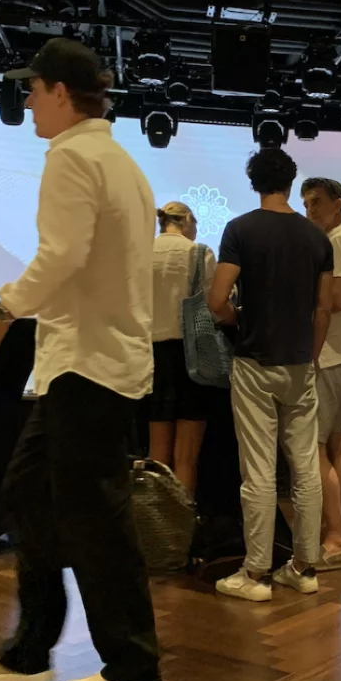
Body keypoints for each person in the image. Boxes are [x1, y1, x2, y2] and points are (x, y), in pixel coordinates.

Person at [0, 38, 163, 681]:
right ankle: (29, 650)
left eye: (34, 88)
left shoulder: (73, 156)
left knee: (94, 517)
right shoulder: (118, 160)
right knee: (28, 495)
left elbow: (62, 253)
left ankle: (133, 670)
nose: (28, 100)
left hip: (88, 365)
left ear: (61, 93)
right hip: (90, 362)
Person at [207, 148, 333, 602]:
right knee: (305, 467)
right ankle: (304, 567)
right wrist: (311, 354)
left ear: (254, 182)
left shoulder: (240, 229)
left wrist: (239, 320)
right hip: (300, 363)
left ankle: (256, 573)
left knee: (258, 470)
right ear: (290, 182)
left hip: (254, 362)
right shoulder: (317, 238)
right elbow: (324, 308)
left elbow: (216, 300)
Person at [301, 177, 341, 571]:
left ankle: (336, 537)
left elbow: (338, 299)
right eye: (306, 203)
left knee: (315, 447)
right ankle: (332, 529)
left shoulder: (338, 241)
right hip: (340, 355)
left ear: (337, 203)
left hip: (326, 356)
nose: (310, 210)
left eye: (316, 202)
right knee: (337, 444)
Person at [146, 201, 214, 497]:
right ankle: (183, 521)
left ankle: (156, 520)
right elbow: (213, 303)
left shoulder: (141, 253)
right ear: (187, 221)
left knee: (157, 454)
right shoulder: (199, 253)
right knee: (186, 457)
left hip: (151, 356)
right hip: (192, 356)